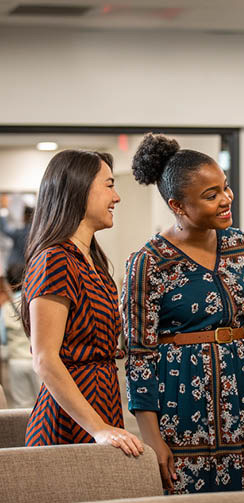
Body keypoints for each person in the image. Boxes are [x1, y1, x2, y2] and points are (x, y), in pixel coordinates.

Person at [122, 134, 244, 497]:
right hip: (180, 399)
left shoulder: (239, 245)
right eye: (211, 195)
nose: (226, 199)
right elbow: (139, 356)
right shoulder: (148, 263)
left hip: (242, 395)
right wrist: (152, 440)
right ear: (178, 205)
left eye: (225, 188)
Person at [21, 150, 143, 456]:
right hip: (68, 421)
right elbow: (45, 359)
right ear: (78, 189)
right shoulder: (55, 259)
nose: (117, 197)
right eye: (109, 185)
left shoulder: (91, 261)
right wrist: (98, 427)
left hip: (102, 405)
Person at [4, 264, 41, 408]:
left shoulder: (6, 306)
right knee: (42, 403)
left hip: (15, 362)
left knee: (20, 406)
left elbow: (3, 338)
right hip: (36, 358)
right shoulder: (34, 301)